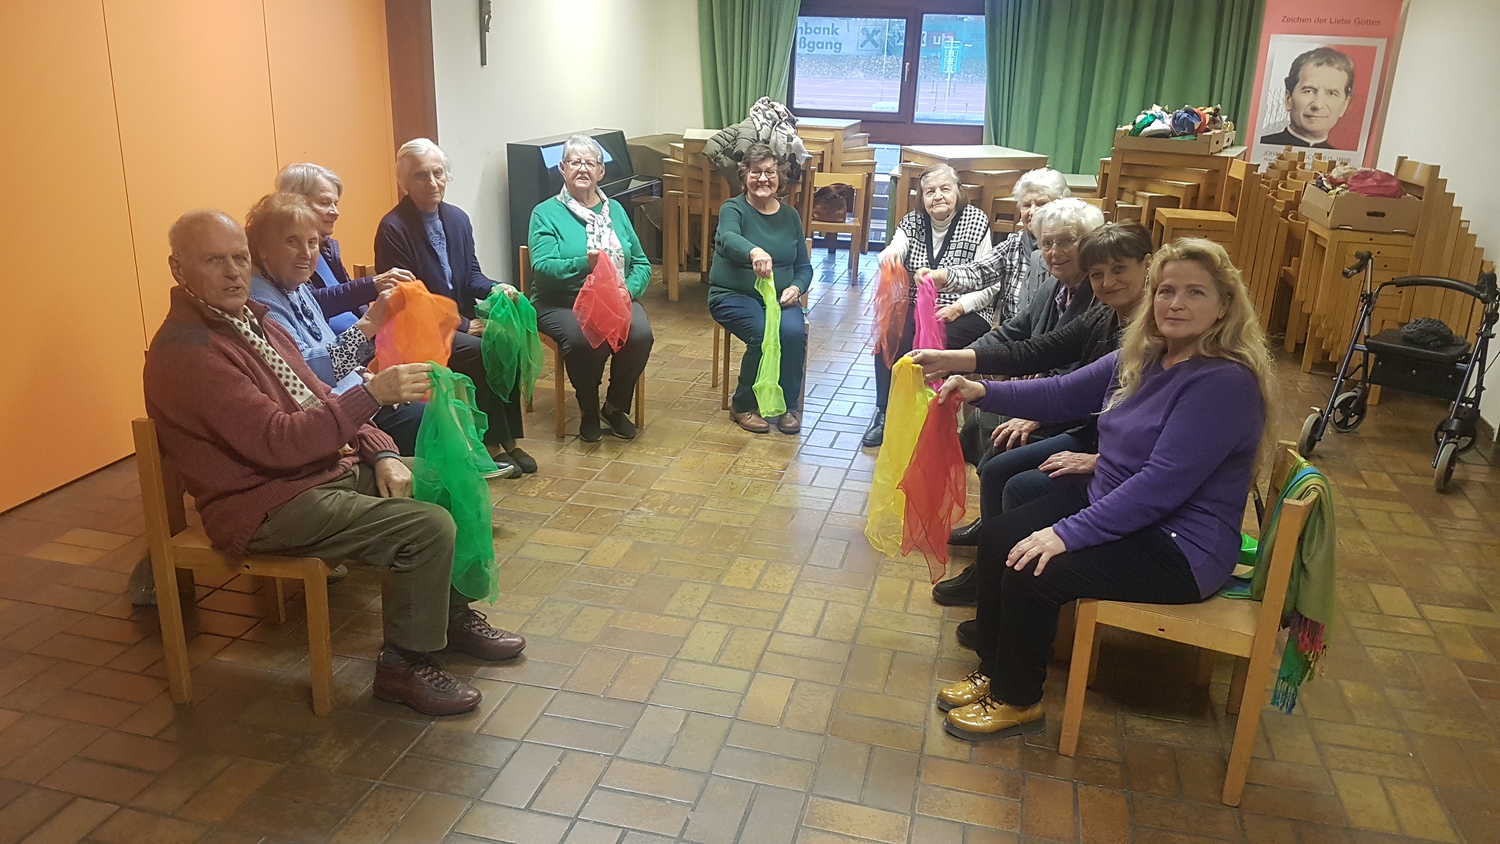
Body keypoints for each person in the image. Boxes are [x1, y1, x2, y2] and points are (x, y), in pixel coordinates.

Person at [144, 210, 527, 717]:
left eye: (239, 258)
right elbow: (280, 441)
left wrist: (383, 452)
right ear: (178, 269)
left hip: (316, 472)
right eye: (215, 261)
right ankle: (402, 665)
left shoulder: (253, 320)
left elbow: (321, 394)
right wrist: (373, 395)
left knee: (445, 480)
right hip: (264, 504)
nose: (234, 272)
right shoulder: (188, 352)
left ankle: (446, 617)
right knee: (425, 526)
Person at [931, 238, 1273, 742]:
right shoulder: (1148, 355)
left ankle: (1017, 699)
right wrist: (982, 388)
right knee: (1001, 537)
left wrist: (1064, 534)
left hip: (1180, 545)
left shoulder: (1223, 383)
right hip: (1122, 505)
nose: (1176, 303)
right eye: (1166, 290)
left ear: (1224, 305)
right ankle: (995, 668)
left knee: (1034, 567)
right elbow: (1062, 392)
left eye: (1195, 292)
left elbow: (1159, 488)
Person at [911, 222, 1154, 605]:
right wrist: (950, 359)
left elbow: (1144, 426)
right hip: (1090, 433)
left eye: (1119, 269)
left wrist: (1099, 460)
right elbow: (1035, 350)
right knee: (996, 469)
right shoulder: (1103, 317)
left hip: (1109, 451)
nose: (1108, 282)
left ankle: (1004, 582)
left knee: (1017, 482)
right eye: (1097, 274)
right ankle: (989, 574)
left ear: (1148, 265)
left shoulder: (1153, 337)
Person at [937, 197, 1105, 547]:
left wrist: (1035, 415)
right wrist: (952, 359)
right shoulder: (1051, 287)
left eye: (1066, 241)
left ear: (1090, 244)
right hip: (1047, 395)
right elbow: (1012, 333)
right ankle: (993, 524)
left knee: (1001, 440)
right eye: (1047, 242)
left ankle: (1000, 533)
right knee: (981, 422)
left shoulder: (1101, 298)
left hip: (1075, 414)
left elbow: (1082, 378)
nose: (1054, 252)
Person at [374, 138, 532, 477]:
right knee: (479, 351)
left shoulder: (457, 218)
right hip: (417, 328)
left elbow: (471, 275)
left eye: (438, 173)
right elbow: (409, 297)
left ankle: (510, 440)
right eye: (420, 175)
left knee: (507, 341)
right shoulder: (393, 227)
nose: (432, 182)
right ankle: (490, 443)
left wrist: (497, 287)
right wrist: (461, 325)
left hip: (455, 320)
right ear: (404, 182)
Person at [245, 192, 428, 457]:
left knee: (432, 404)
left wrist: (365, 375)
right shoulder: (259, 299)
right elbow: (307, 372)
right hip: (332, 415)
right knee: (428, 423)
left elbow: (328, 343)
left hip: (354, 397)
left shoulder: (296, 285)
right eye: (292, 241)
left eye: (312, 242)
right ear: (262, 248)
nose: (306, 253)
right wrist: (371, 322)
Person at [528, 134, 654, 443]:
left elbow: (641, 263)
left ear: (601, 171)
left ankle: (614, 407)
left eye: (590, 163)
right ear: (562, 169)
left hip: (615, 297)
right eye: (575, 162)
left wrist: (629, 290)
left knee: (639, 335)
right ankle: (588, 409)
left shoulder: (616, 211)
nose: (582, 169)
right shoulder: (545, 213)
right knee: (585, 339)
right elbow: (542, 269)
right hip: (561, 300)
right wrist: (585, 263)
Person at [861, 164, 994, 448]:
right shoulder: (912, 222)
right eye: (930, 191)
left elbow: (990, 283)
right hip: (916, 304)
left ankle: (927, 416)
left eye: (945, 188)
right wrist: (890, 257)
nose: (938, 196)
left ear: (958, 191)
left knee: (928, 347)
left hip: (966, 308)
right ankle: (885, 412)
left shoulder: (976, 220)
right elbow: (895, 247)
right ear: (921, 197)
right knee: (890, 337)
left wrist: (959, 307)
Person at [708, 143, 814, 435]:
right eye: (755, 172)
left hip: (780, 299)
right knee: (762, 331)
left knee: (793, 333)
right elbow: (728, 237)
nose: (763, 178)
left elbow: (804, 267)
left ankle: (787, 406)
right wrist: (754, 251)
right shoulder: (734, 209)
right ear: (745, 176)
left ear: (780, 177)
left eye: (770, 172)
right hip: (733, 295)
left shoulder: (790, 216)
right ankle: (743, 404)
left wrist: (796, 287)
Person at [275, 162, 415, 332]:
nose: (335, 212)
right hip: (335, 346)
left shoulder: (327, 248)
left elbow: (356, 304)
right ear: (294, 204)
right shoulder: (284, 256)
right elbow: (307, 304)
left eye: (336, 204)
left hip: (359, 341)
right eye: (324, 203)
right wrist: (371, 285)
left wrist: (374, 333)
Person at [1258, 47, 1355, 150]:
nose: (1318, 105)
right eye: (1308, 91)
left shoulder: (1344, 158)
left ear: (1344, 105)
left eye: (1331, 93)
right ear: (1288, 98)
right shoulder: (1259, 147)